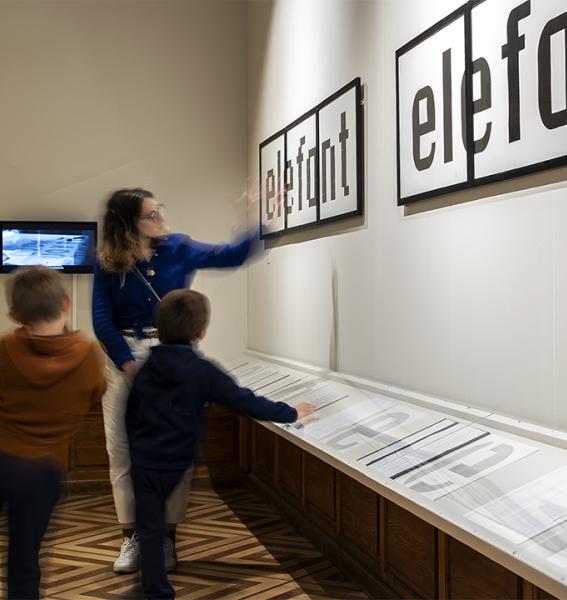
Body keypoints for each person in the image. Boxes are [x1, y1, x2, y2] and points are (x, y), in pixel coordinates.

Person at [92, 187, 260, 573]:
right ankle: (131, 538)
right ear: (128, 223)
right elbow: (102, 320)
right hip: (123, 362)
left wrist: (254, 218)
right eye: (151, 214)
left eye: (159, 210)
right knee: (122, 452)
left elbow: (231, 256)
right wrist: (126, 364)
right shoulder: (108, 261)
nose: (160, 217)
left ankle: (166, 540)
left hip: (174, 357)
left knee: (176, 454)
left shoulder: (179, 246)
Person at [126, 288, 315, 600]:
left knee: (149, 528)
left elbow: (131, 413)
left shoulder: (147, 368)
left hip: (143, 461)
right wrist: (291, 412)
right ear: (201, 332)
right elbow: (244, 401)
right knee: (157, 524)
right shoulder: (203, 370)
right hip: (175, 463)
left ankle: (155, 591)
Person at [0, 266, 106, 599]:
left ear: (14, 315)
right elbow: (96, 392)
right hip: (44, 471)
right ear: (67, 303)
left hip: (1, 457)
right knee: (25, 558)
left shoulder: (4, 349)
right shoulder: (88, 353)